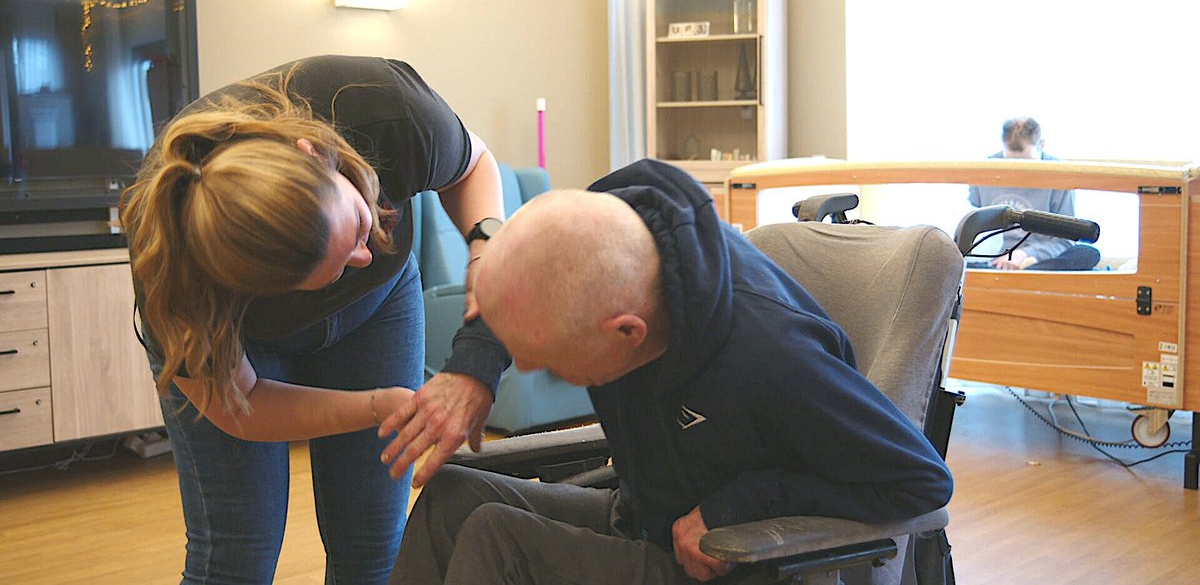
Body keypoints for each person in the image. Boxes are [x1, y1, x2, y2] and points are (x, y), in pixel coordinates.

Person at [385, 159, 954, 584]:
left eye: (551, 357)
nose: (528, 367)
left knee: (497, 538)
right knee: (453, 496)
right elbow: (528, 273)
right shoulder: (621, 232)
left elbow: (921, 484)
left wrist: (733, 509)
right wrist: (476, 368)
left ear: (626, 332)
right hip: (645, 514)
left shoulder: (773, 358)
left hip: (730, 558)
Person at [119, 55, 508, 584]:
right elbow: (244, 405)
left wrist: (486, 249)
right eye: (323, 278)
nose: (364, 256)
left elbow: (472, 165)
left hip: (380, 311)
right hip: (244, 347)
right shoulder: (178, 277)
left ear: (318, 155)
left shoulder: (378, 105)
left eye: (356, 225)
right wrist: (375, 405)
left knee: (373, 549)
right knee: (235, 557)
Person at [967, 116, 1100, 270]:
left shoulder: (1061, 175)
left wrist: (1025, 254)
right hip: (990, 259)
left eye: (1026, 163)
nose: (1017, 172)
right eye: (1010, 163)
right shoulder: (983, 171)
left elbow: (1065, 240)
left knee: (1087, 254)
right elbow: (971, 229)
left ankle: (1024, 272)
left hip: (1036, 259)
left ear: (1041, 145)